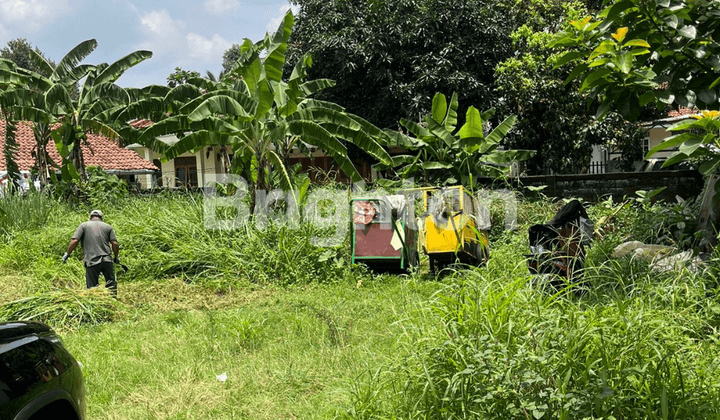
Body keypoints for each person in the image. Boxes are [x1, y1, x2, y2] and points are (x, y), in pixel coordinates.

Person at [62, 210, 120, 295]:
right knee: (111, 285)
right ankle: (114, 301)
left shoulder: (83, 226)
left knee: (92, 288)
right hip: (107, 260)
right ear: (101, 218)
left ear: (90, 217)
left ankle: (94, 304)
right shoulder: (108, 227)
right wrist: (116, 257)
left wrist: (67, 254)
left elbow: (75, 241)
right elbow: (114, 243)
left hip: (92, 260)